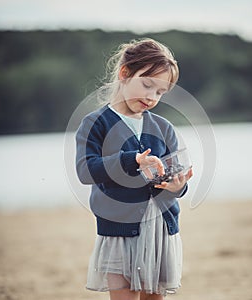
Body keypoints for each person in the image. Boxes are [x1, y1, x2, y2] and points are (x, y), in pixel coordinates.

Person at [75, 38, 193, 300]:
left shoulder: (164, 128)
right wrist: (133, 160)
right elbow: (85, 170)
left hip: (159, 229)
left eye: (160, 93)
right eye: (147, 85)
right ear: (125, 73)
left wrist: (178, 186)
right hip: (118, 229)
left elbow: (174, 180)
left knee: (154, 296)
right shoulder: (95, 123)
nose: (152, 97)